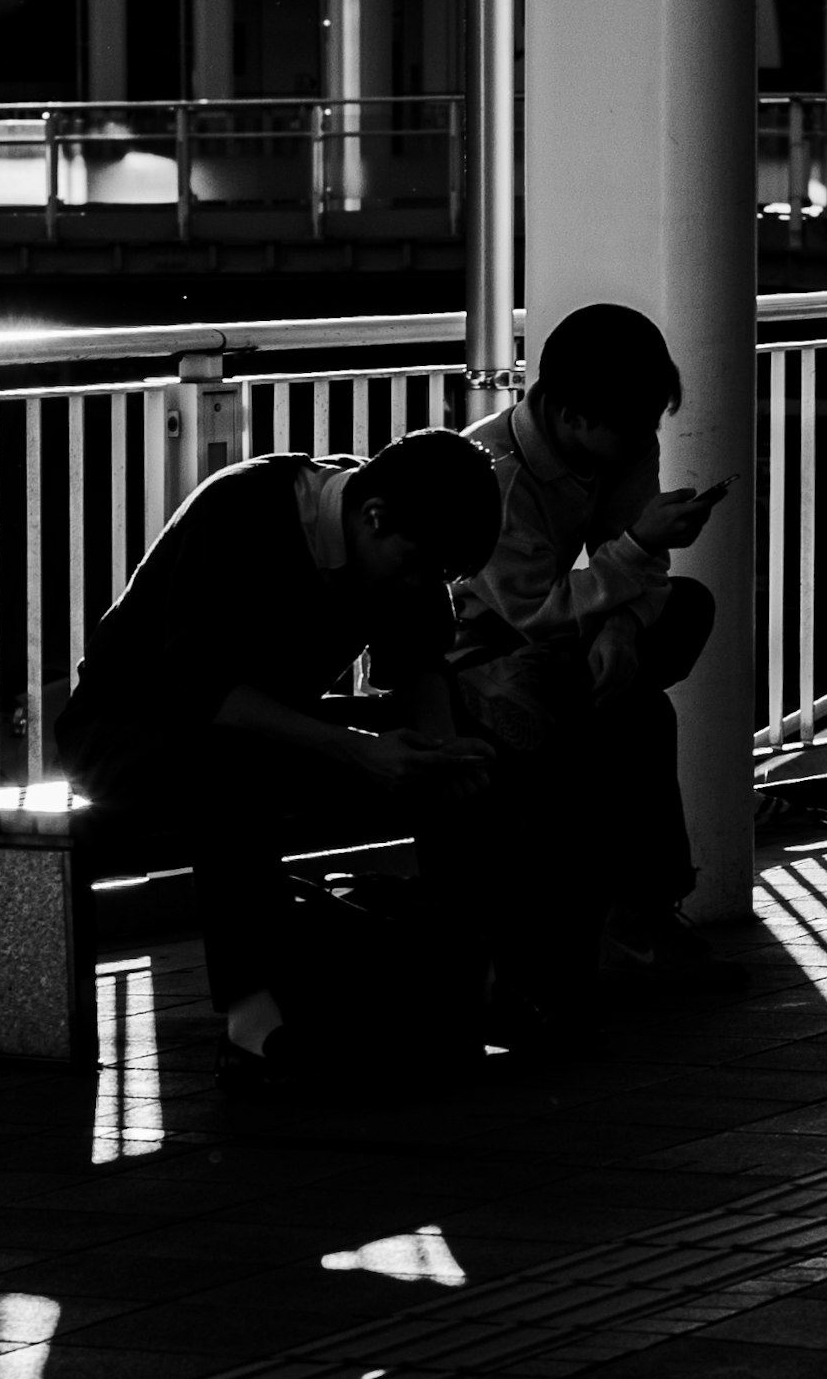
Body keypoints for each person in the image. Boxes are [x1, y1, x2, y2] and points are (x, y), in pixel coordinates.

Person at [55, 421, 500, 1074]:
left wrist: (442, 750)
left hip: (264, 725)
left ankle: (466, 975)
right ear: (373, 517)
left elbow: (419, 658)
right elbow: (205, 690)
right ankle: (251, 1017)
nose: (417, 584)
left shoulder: (391, 524)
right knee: (228, 767)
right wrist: (355, 750)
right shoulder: (243, 511)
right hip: (126, 731)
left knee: (462, 746)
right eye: (413, 565)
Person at [453, 301, 723, 995]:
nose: (646, 442)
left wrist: (624, 629)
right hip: (485, 639)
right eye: (633, 427)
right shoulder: (492, 472)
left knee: (684, 611)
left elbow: (620, 559)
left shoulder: (622, 441)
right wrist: (640, 552)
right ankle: (637, 921)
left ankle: (540, 697)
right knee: (636, 718)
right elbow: (534, 607)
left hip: (573, 631)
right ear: (572, 417)